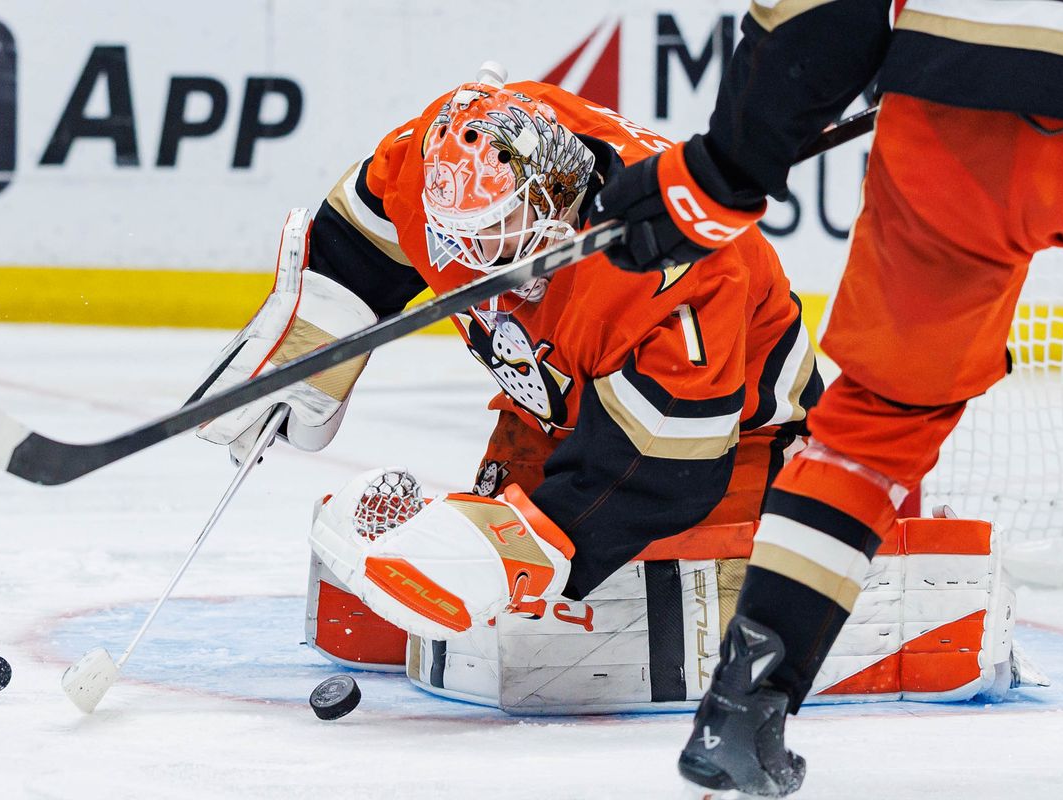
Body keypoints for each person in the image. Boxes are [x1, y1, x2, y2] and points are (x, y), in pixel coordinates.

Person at [589, 1, 1063, 796]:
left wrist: (723, 170)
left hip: (956, 109)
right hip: (961, 89)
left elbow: (819, 16)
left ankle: (744, 707)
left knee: (874, 428)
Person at [193, 63, 821, 647]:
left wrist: (530, 543)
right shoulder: (436, 160)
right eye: (447, 234)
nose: (460, 258)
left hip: (732, 441)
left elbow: (666, 463)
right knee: (481, 599)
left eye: (488, 231)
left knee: (681, 591)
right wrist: (308, 343)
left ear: (552, 207)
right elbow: (358, 246)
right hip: (551, 415)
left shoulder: (678, 267)